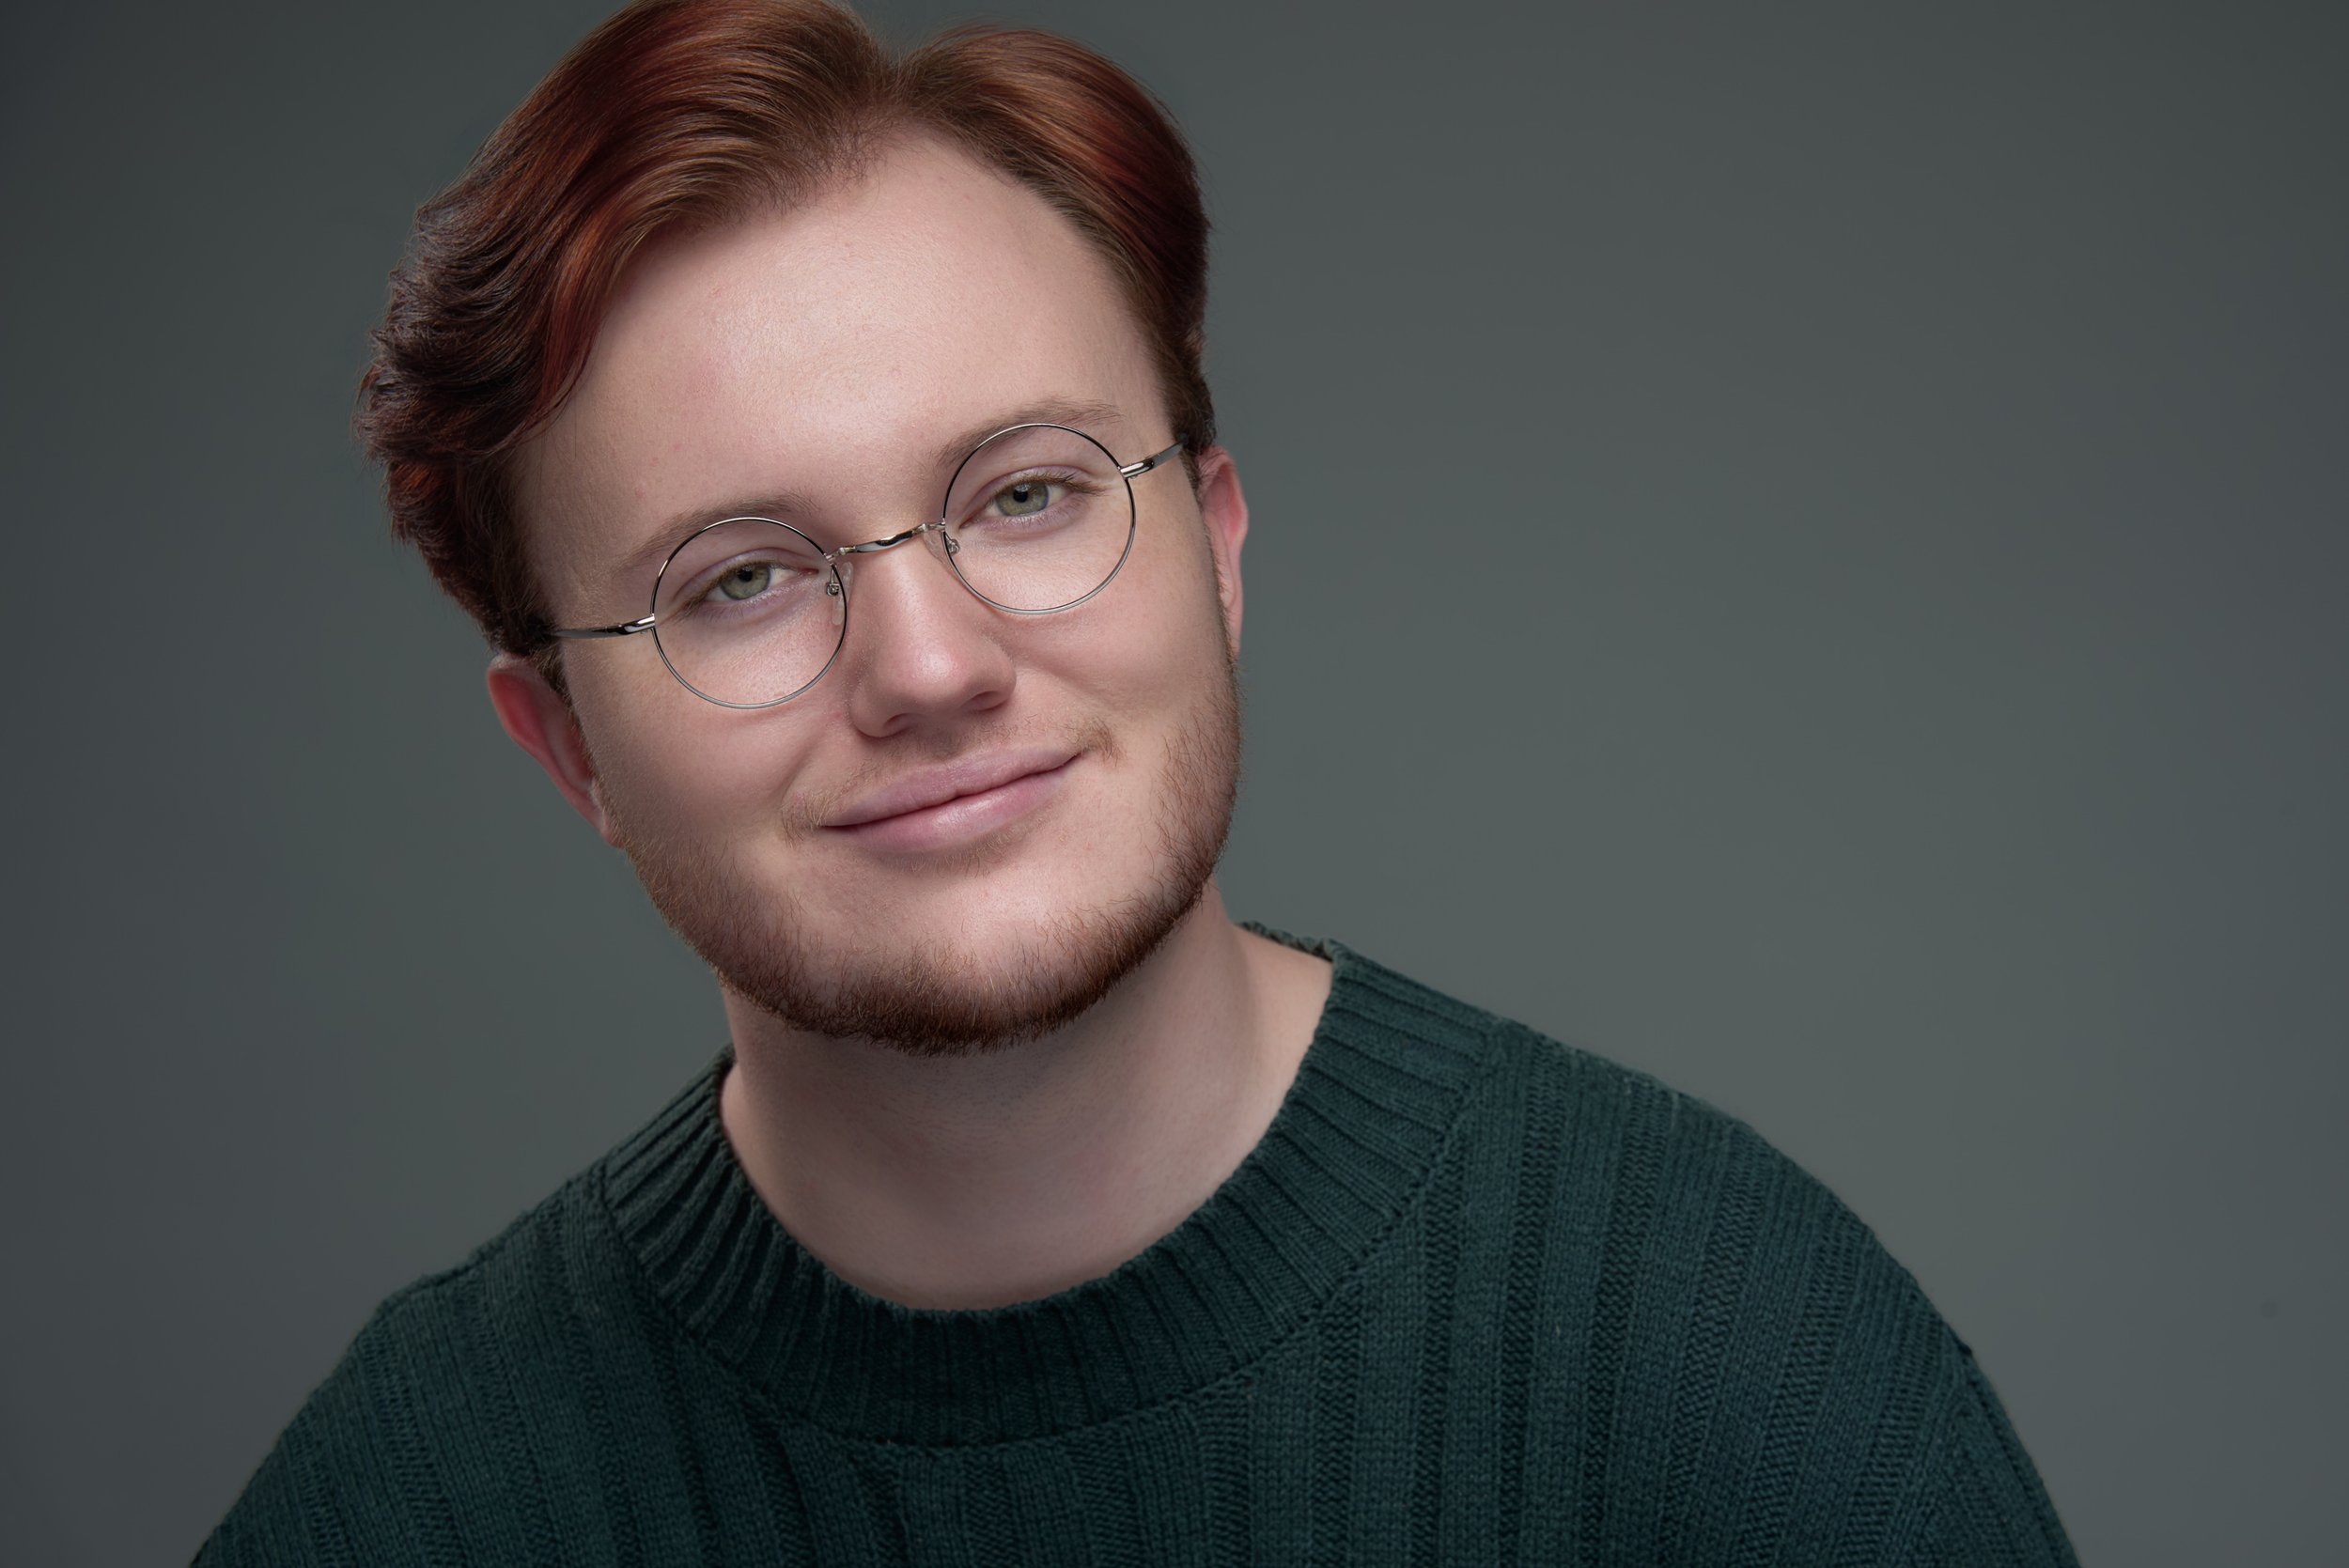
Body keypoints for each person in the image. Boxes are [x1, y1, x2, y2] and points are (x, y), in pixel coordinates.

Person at [198, 1, 2077, 1561]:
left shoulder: (1724, 1357)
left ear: (1216, 544)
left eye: (1023, 493)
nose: (930, 670)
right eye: (740, 580)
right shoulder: (415, 1508)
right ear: (568, 752)